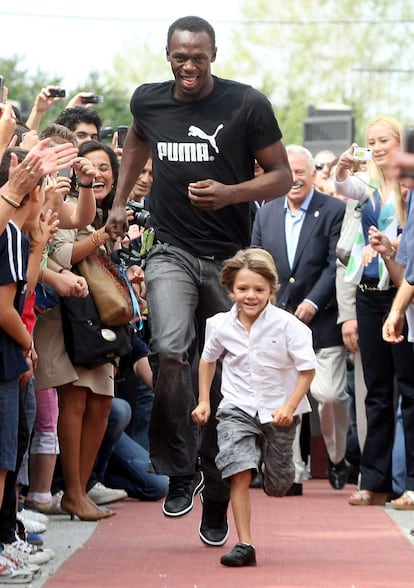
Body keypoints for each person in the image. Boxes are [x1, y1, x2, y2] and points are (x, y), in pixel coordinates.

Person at [104, 15, 292, 547]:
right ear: (167, 54)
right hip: (171, 250)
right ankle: (179, 467)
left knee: (222, 384)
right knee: (168, 351)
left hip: (230, 262)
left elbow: (282, 176)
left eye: (199, 57)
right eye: (180, 57)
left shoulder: (246, 104)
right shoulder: (149, 101)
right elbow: (137, 141)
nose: (189, 67)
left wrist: (232, 193)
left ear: (214, 54)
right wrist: (119, 203)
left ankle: (214, 499)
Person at [191, 248, 316, 566]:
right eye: (243, 289)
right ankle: (244, 544)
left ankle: (277, 465)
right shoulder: (219, 324)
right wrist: (205, 400)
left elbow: (307, 370)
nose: (250, 296)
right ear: (230, 289)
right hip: (237, 406)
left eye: (259, 289)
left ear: (272, 290)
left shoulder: (289, 326)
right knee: (239, 471)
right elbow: (208, 361)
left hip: (280, 412)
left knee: (277, 485)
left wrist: (289, 406)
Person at [252, 145, 348, 494]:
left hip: (321, 321)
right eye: (288, 171)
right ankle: (290, 472)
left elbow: (334, 264)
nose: (294, 178)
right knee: (284, 400)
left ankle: (338, 457)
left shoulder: (334, 209)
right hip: (278, 322)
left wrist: (313, 301)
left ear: (311, 173)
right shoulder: (265, 214)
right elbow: (258, 263)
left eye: (301, 171)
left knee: (331, 394)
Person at [334, 116, 414, 506]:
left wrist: (390, 247)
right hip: (368, 294)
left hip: (403, 295)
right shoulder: (366, 187)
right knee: (376, 393)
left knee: (410, 391)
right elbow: (343, 185)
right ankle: (374, 481)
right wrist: (342, 168)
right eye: (371, 142)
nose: (378, 148)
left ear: (400, 143)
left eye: (384, 140)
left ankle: (410, 482)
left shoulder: (409, 187)